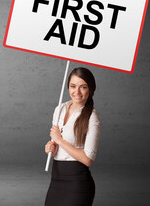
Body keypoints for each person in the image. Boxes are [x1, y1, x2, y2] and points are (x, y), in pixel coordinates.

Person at [44, 67, 101, 206]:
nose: (77, 92)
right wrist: (52, 147)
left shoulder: (92, 117)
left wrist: (60, 140)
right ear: (68, 87)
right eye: (73, 86)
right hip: (56, 179)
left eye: (83, 87)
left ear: (90, 89)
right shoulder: (60, 109)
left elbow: (88, 159)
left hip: (77, 183)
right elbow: (58, 145)